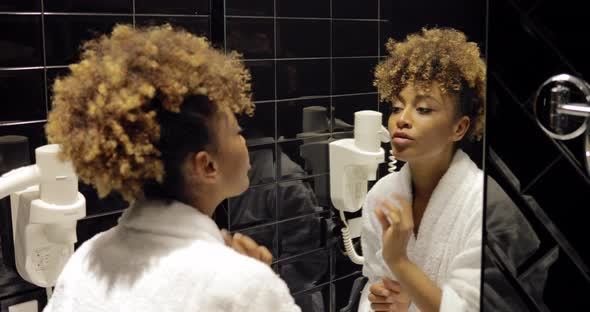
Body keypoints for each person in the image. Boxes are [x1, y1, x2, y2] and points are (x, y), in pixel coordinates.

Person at [42, 24, 300, 312]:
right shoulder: (242, 286)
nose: (245, 141)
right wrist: (255, 285)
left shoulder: (88, 260)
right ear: (207, 166)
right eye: (237, 131)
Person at [359, 28, 486, 312]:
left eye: (424, 109)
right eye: (396, 107)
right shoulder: (382, 195)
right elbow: (375, 283)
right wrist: (386, 300)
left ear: (459, 128)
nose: (401, 120)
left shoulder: (481, 203)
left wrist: (399, 262)